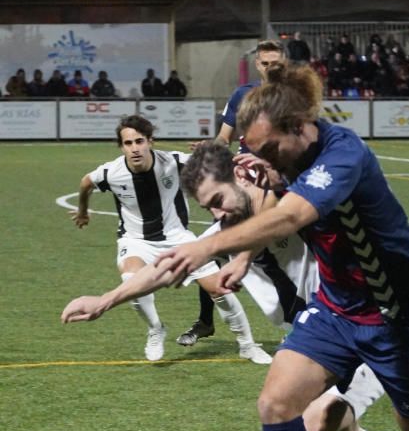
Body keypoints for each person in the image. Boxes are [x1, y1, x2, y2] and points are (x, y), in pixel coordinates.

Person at [132, 63, 409, 431]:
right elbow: (261, 210)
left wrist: (213, 251)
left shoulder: (343, 154)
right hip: (335, 310)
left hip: (398, 318)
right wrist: (106, 300)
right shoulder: (282, 159)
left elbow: (290, 215)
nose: (263, 161)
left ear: (300, 127)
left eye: (268, 150)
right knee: (277, 405)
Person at [178, 142, 409, 431]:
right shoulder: (229, 228)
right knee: (340, 429)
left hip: (364, 325)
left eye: (219, 199)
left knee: (312, 425)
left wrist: (252, 159)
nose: (217, 212)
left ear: (244, 177)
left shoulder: (294, 204)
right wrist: (113, 296)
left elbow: (291, 184)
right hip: (314, 339)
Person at [68, 114, 271, 365]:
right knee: (130, 281)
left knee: (219, 289)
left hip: (178, 238)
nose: (135, 148)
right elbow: (85, 183)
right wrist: (83, 211)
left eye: (139, 141)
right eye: (128, 143)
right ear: (121, 147)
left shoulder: (173, 161)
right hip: (136, 240)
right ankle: (155, 329)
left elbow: (211, 165)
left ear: (150, 141)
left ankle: (247, 346)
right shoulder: (110, 173)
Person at [176, 39, 287, 348]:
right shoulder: (242, 95)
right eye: (265, 63)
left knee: (281, 254)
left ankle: (302, 323)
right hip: (243, 181)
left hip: (276, 183)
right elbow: (224, 137)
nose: (269, 68)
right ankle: (206, 321)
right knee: (212, 248)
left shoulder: (290, 98)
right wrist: (209, 148)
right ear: (257, 64)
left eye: (275, 63)